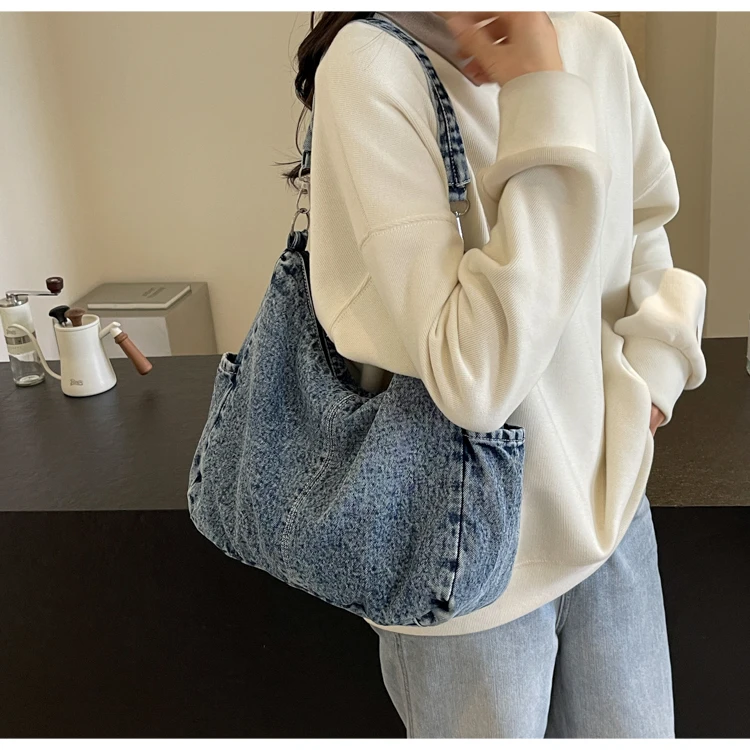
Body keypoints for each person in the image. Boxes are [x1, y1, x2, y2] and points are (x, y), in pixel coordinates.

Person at [282, 11, 707, 739]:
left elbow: (643, 227)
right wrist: (541, 94)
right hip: (463, 565)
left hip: (612, 519)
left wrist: (655, 379)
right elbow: (473, 376)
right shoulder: (372, 66)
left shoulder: (592, 40)